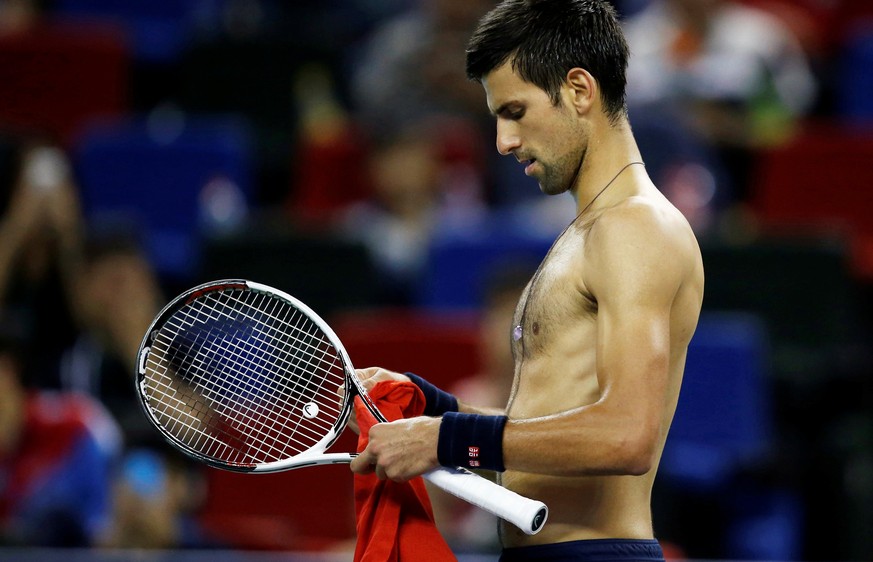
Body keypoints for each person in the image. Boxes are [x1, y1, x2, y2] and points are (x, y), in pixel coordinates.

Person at [347, 1, 705, 560]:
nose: (503, 141)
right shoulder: (587, 233)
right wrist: (430, 408)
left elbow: (625, 436)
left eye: (515, 111)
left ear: (580, 91)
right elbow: (546, 432)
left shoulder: (634, 228)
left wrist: (443, 440)